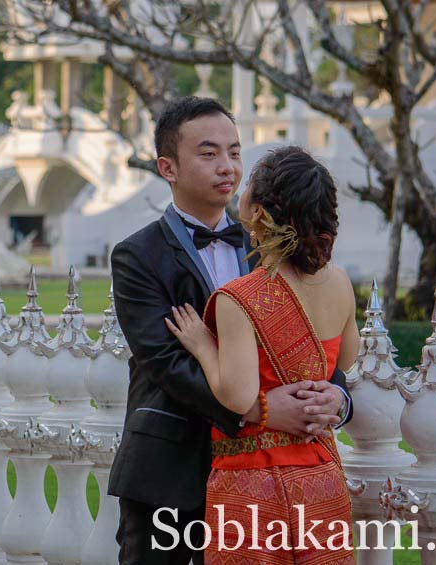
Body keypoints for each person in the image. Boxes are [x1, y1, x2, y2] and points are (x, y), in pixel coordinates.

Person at [108, 97, 353, 565]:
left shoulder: (273, 244)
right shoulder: (136, 255)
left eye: (235, 152)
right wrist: (258, 411)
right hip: (172, 469)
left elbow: (312, 344)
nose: (228, 166)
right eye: (208, 153)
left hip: (271, 479)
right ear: (168, 167)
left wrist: (337, 398)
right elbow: (166, 362)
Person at [166, 145, 359, 563]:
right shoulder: (340, 282)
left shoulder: (240, 297)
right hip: (321, 476)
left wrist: (202, 345)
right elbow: (345, 359)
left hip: (253, 482)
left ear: (258, 213)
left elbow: (237, 397)